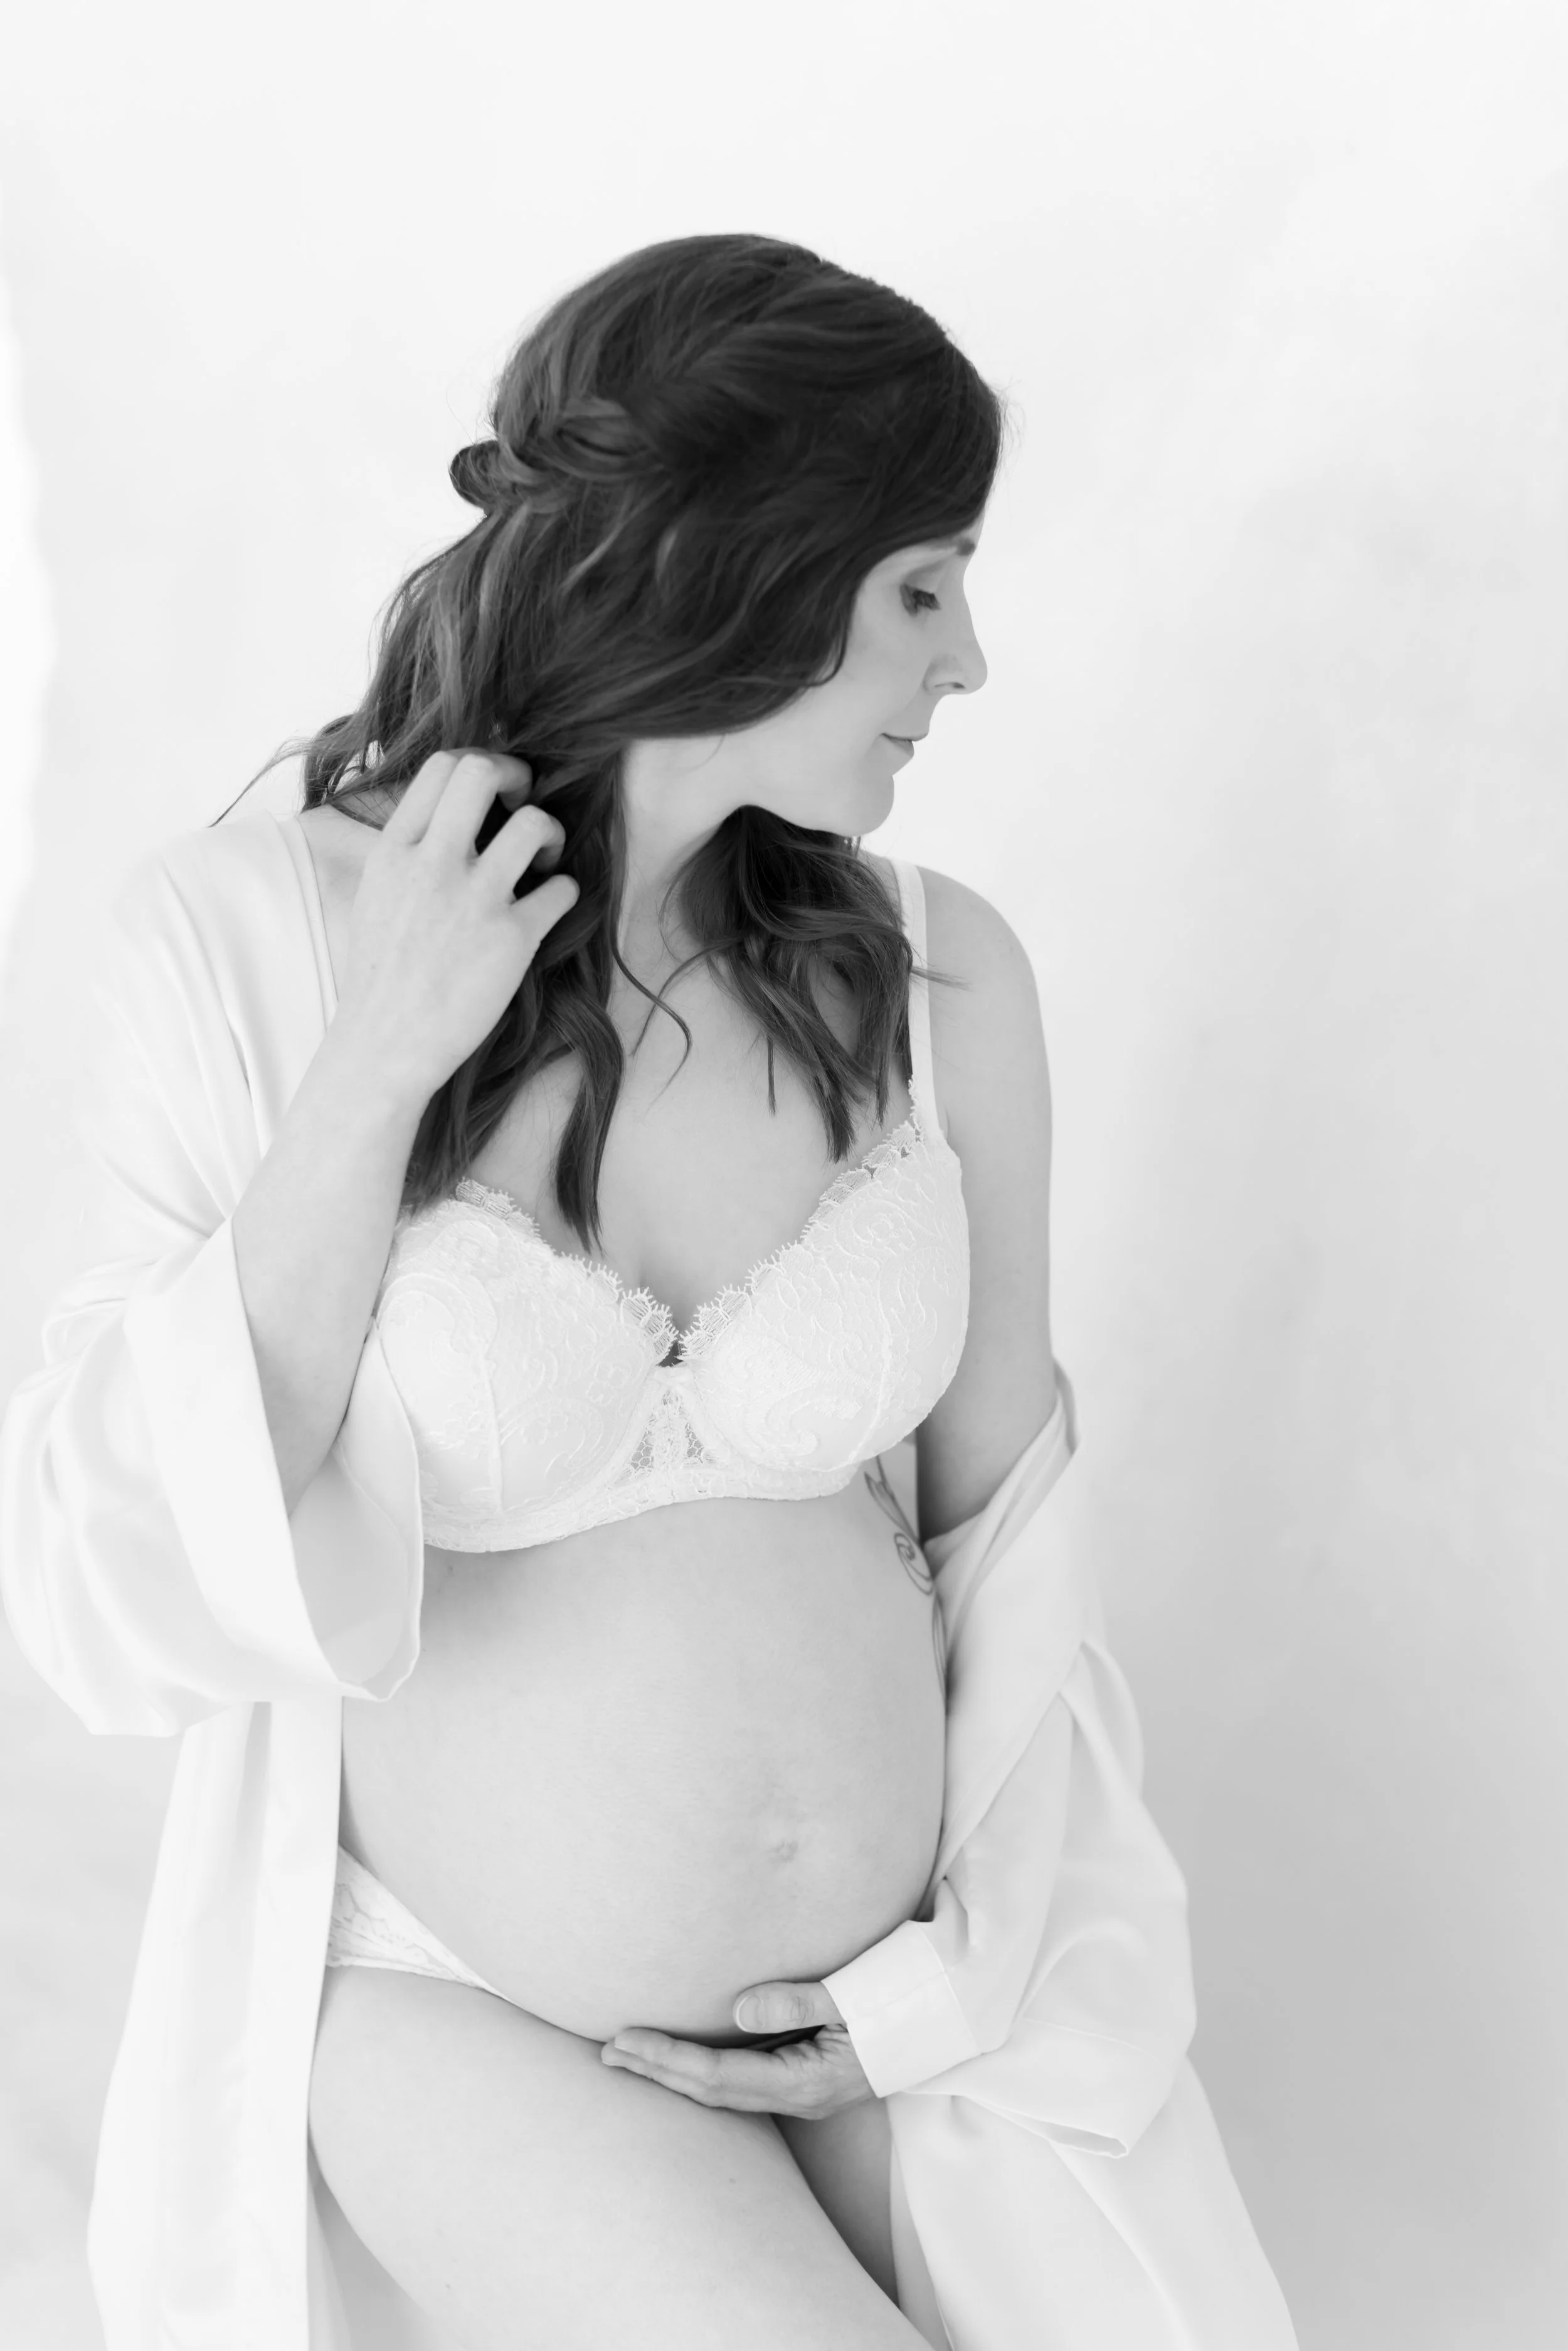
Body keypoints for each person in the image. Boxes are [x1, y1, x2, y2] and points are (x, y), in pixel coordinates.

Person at [0, 233, 1299, 2348]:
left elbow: (1009, 1545)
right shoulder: (253, 942)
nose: (968, 657)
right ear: (743, 565)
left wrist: (945, 1974)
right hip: (465, 2005)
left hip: (907, 2011)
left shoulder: (939, 975)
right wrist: (381, 1063)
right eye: (920, 586)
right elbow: (109, 1576)